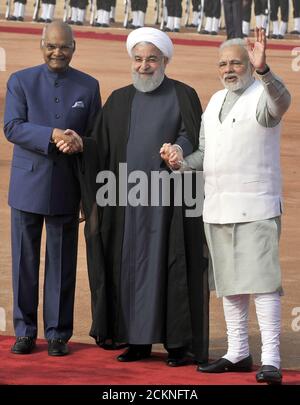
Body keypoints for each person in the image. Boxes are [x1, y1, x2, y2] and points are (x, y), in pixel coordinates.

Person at [65, 27, 209, 366]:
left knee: (169, 267)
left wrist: (177, 149)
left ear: (164, 61)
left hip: (168, 204)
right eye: (139, 59)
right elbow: (100, 143)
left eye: (152, 60)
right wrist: (81, 143)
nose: (144, 66)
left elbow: (193, 136)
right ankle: (138, 341)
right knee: (129, 269)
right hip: (125, 203)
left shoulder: (183, 94)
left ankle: (178, 345)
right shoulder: (119, 99)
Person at [161, 28, 290, 383]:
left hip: (256, 206)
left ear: (249, 63)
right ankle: (237, 353)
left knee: (262, 283)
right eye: (223, 63)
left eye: (236, 62)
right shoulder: (215, 101)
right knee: (230, 283)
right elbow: (205, 153)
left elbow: (281, 102)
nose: (229, 69)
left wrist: (265, 71)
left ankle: (272, 359)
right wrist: (180, 160)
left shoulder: (262, 95)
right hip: (217, 206)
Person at [3, 21, 101, 356]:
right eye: (51, 46)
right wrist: (52, 136)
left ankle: (58, 334)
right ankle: (25, 331)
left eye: (64, 47)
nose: (57, 53)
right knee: (24, 262)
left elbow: (95, 137)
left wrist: (80, 144)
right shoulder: (20, 81)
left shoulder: (88, 86)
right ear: (41, 45)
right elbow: (13, 127)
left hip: (66, 186)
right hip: (27, 185)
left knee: (61, 263)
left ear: (74, 47)